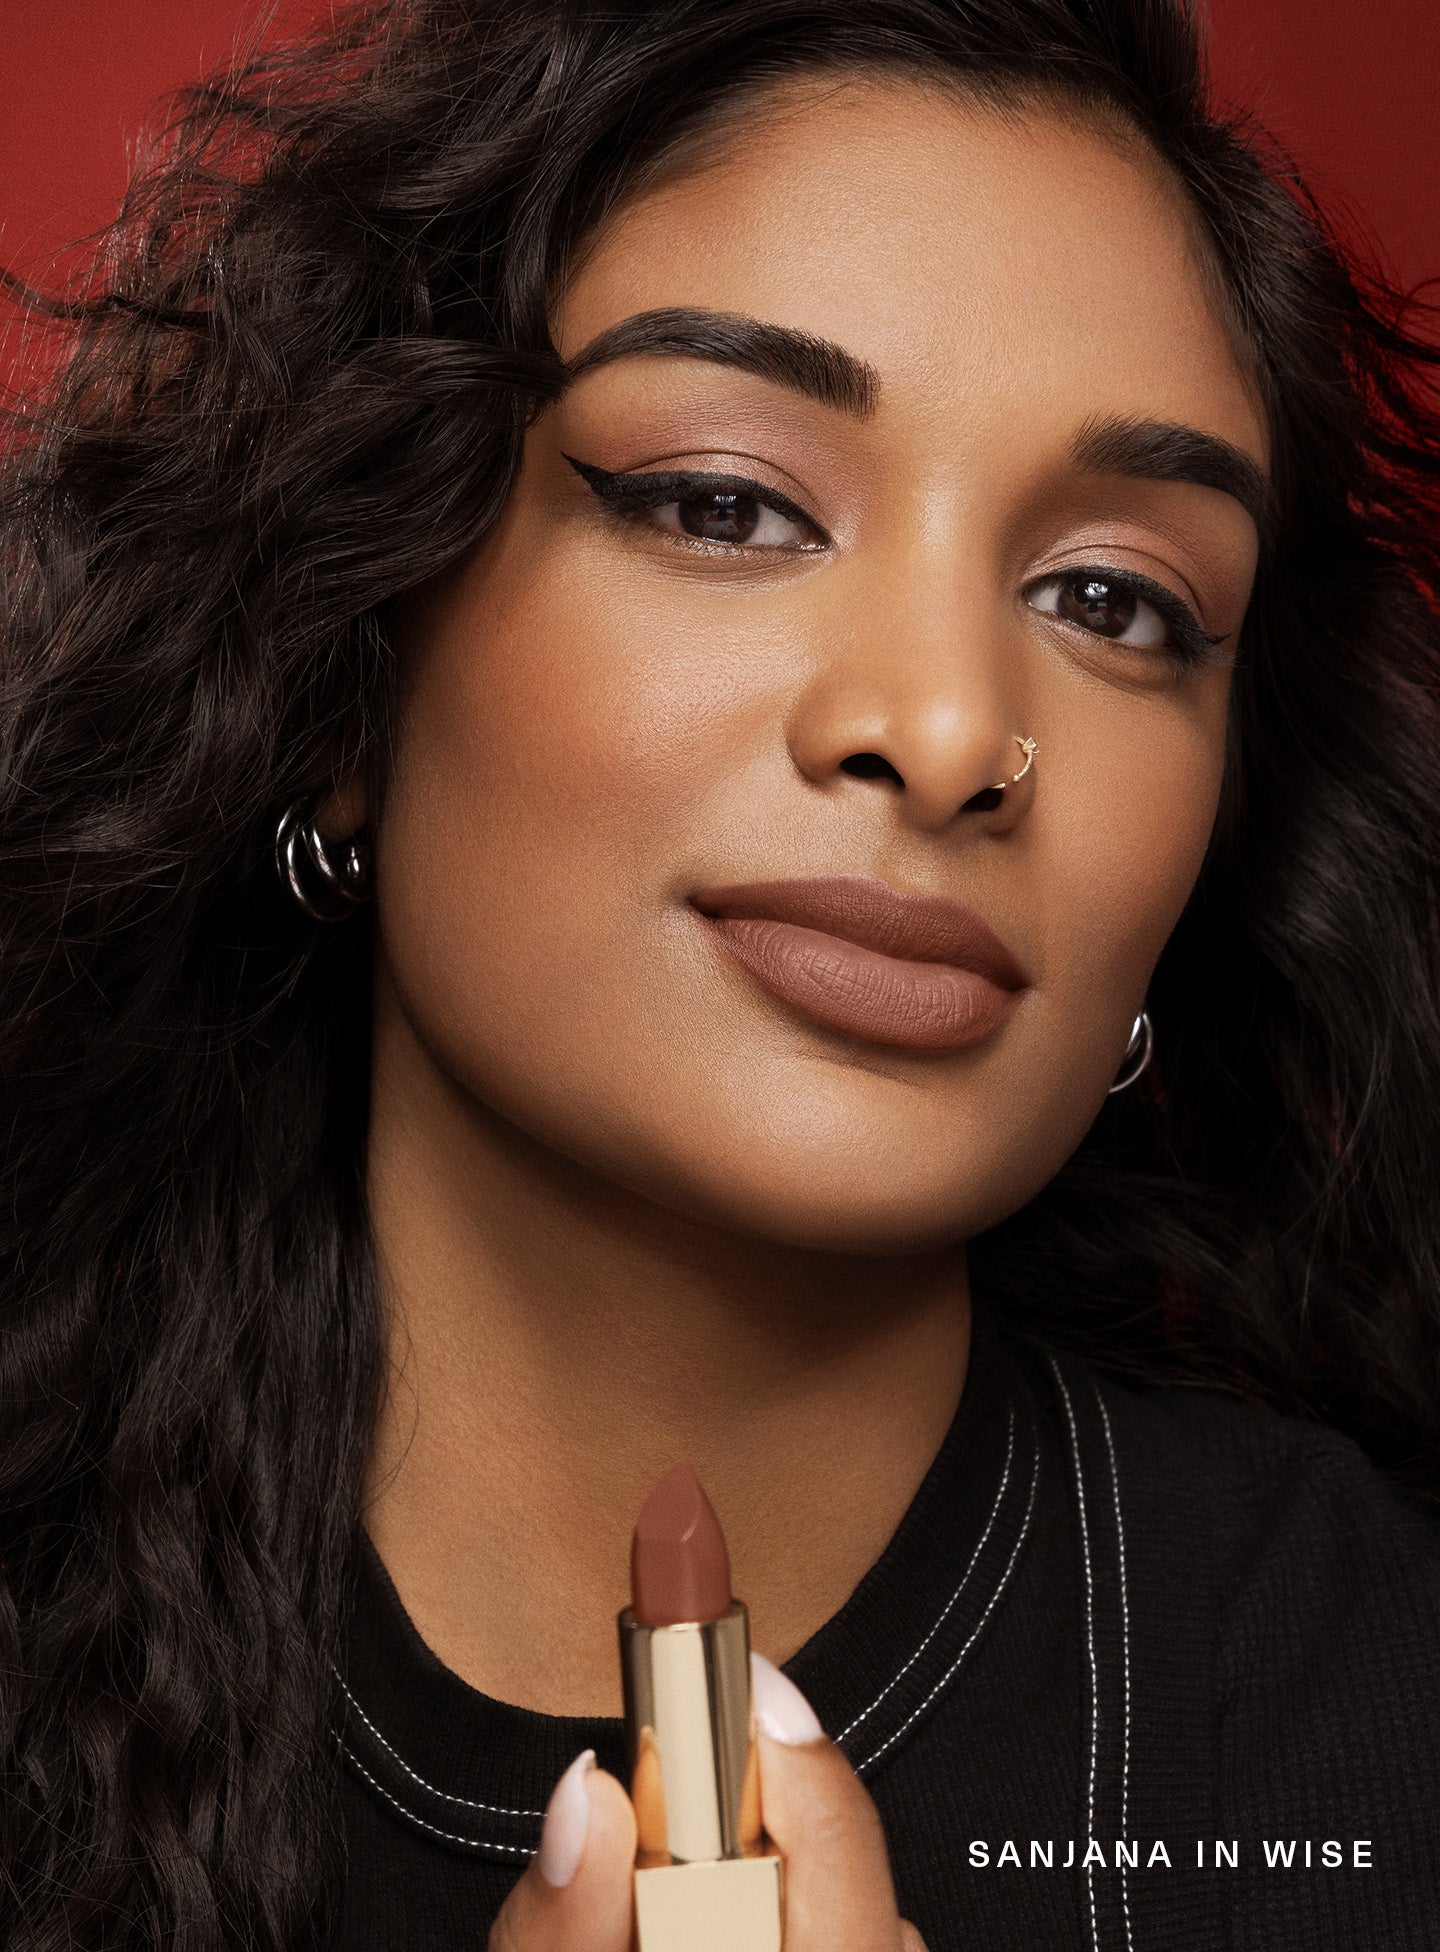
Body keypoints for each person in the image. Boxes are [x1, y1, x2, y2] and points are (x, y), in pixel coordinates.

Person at [4, 0, 1440, 1947]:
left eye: (1114, 601)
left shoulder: (1368, 1717)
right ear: (344, 661)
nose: (947, 731)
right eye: (726, 502)